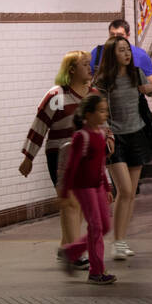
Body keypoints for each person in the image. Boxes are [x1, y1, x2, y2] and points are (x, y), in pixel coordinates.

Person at [19, 51, 96, 265]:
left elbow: (103, 125)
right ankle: (74, 252)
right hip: (61, 157)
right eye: (84, 64)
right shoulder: (56, 96)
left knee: (77, 205)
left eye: (90, 64)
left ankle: (65, 247)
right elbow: (39, 125)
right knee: (71, 203)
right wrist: (28, 157)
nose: (90, 68)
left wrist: (108, 143)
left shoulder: (94, 95)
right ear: (71, 69)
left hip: (86, 158)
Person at [92, 35, 152, 260]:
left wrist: (148, 88)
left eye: (127, 50)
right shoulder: (103, 80)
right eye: (121, 50)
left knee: (131, 195)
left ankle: (121, 240)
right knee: (125, 190)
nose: (127, 54)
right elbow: (94, 107)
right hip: (114, 139)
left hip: (137, 134)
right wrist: (104, 130)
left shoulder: (135, 73)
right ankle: (117, 242)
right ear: (112, 54)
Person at [58, 93, 117, 285]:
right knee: (96, 226)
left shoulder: (100, 134)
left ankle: (71, 251)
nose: (104, 115)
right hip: (83, 187)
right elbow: (71, 167)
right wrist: (65, 193)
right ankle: (96, 270)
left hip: (98, 185)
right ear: (88, 114)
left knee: (105, 226)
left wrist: (107, 186)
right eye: (100, 111)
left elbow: (101, 165)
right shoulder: (81, 137)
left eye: (105, 111)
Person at [89, 18, 152, 84]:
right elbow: (85, 82)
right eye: (112, 34)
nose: (115, 38)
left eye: (120, 35)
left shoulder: (140, 56)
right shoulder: (97, 53)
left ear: (128, 35)